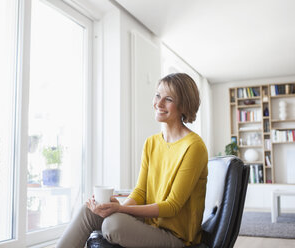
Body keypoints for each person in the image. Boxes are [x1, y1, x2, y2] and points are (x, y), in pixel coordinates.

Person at [57, 73, 208, 248]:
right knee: (88, 212)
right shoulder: (151, 143)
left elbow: (172, 206)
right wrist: (110, 209)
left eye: (168, 99)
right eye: (158, 95)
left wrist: (120, 209)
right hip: (148, 225)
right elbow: (140, 192)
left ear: (184, 105)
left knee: (112, 225)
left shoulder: (194, 146)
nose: (158, 103)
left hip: (176, 237)